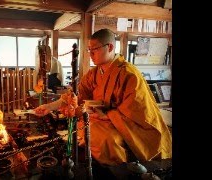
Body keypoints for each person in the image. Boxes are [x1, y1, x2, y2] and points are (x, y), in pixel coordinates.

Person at [34, 28, 172, 166]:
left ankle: (118, 169)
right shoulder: (94, 73)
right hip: (100, 118)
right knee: (80, 125)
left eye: (94, 49)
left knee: (105, 139)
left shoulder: (129, 74)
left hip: (124, 124)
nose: (91, 54)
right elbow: (76, 94)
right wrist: (50, 106)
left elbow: (137, 111)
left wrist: (107, 115)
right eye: (89, 50)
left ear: (110, 47)